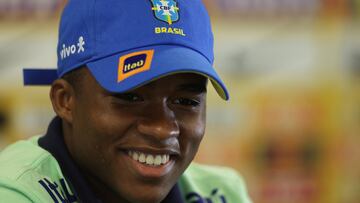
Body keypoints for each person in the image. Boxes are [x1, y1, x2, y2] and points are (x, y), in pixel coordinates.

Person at [0, 0, 252, 202]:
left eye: (185, 101)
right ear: (66, 101)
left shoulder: (222, 193)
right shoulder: (14, 192)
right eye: (130, 97)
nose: (163, 128)